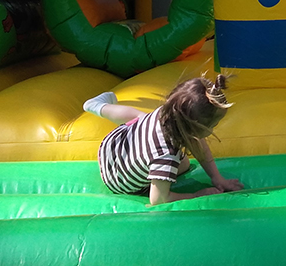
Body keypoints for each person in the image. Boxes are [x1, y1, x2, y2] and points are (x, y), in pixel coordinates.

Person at [83, 75, 245, 205]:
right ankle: (99, 106)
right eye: (213, 125)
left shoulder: (170, 112)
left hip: (111, 145)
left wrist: (217, 177)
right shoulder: (166, 155)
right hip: (118, 181)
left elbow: (197, 140)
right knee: (184, 164)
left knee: (142, 117)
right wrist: (196, 195)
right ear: (195, 127)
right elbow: (158, 199)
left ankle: (99, 106)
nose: (213, 130)